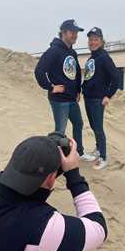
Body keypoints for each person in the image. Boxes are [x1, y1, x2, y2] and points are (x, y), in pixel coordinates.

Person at [34, 19, 95, 161]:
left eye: (76, 33)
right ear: (63, 32)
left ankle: (78, 152)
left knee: (78, 123)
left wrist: (78, 90)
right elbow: (39, 71)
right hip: (59, 100)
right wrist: (51, 87)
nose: (75, 35)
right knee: (60, 131)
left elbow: (76, 72)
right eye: (72, 32)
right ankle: (56, 160)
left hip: (72, 98)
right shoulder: (53, 51)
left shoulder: (72, 52)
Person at [82, 27, 119, 170]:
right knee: (93, 126)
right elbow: (89, 77)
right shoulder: (92, 58)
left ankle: (103, 157)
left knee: (98, 128)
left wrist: (108, 95)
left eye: (96, 39)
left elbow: (115, 77)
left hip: (98, 99)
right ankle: (98, 149)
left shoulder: (104, 57)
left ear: (101, 41)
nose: (93, 42)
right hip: (88, 98)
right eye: (90, 40)